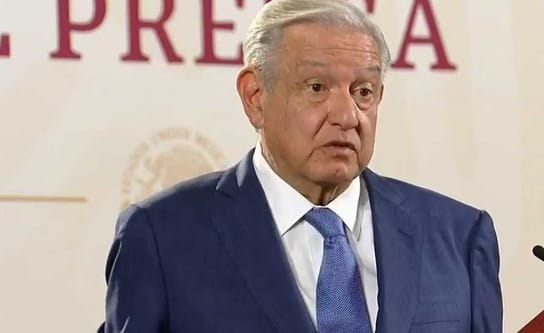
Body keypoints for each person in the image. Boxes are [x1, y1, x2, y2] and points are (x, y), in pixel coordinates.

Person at [99, 0, 502, 332]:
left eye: (363, 91)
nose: (347, 115)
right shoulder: (163, 237)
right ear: (255, 96)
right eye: (316, 88)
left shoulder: (458, 237)